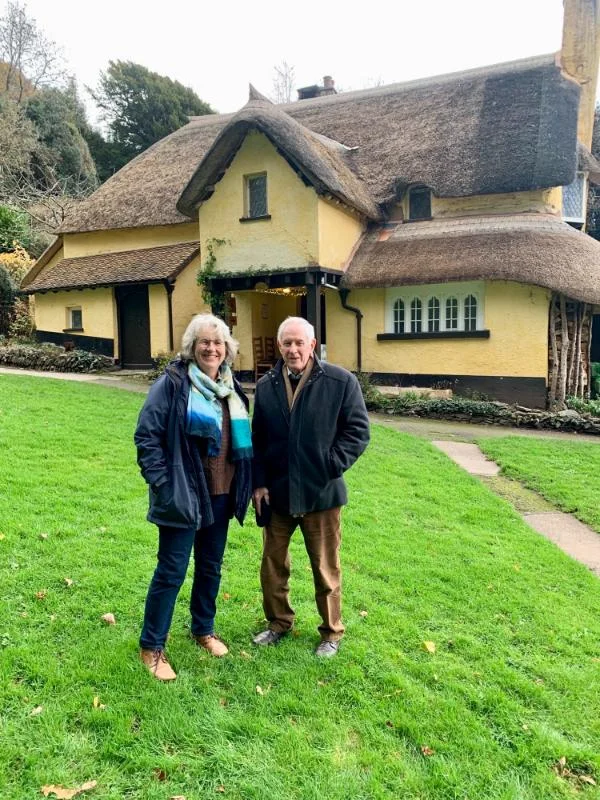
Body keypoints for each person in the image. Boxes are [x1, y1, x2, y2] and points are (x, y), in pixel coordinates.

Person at [134, 313, 252, 680]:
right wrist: (163, 484)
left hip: (221, 494)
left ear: (227, 349)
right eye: (205, 342)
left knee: (210, 567)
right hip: (182, 495)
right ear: (192, 347)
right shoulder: (172, 384)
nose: (212, 348)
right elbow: (146, 436)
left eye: (218, 343)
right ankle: (152, 646)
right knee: (171, 572)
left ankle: (203, 629)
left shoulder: (231, 387)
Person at [251, 316, 370, 658]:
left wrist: (329, 466)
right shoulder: (266, 385)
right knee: (273, 565)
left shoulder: (340, 381)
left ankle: (331, 632)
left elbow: (358, 432)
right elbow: (257, 439)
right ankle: (278, 623)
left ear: (312, 345)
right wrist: (258, 482)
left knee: (325, 567)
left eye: (299, 343)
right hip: (277, 493)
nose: (293, 350)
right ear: (279, 347)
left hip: (322, 493)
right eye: (286, 343)